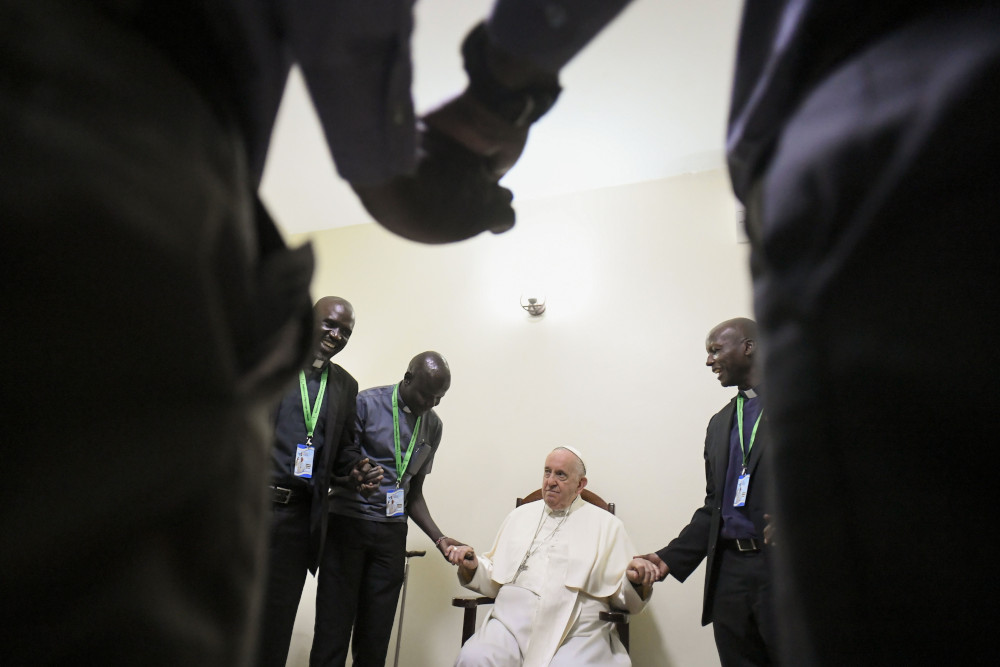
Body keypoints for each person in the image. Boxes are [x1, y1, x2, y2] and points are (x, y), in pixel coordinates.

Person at [310, 351, 464, 667]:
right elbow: (336, 466)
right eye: (427, 394)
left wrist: (440, 538)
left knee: (375, 637)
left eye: (440, 398)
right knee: (333, 631)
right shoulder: (365, 404)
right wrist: (354, 476)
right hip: (347, 525)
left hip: (391, 535)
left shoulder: (433, 425)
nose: (432, 404)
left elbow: (413, 492)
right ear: (407, 379)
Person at [637, 318, 774, 666]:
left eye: (716, 350)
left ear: (749, 346)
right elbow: (715, 507)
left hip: (782, 572)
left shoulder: (801, 406)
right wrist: (669, 557)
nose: (709, 361)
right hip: (728, 574)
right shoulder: (719, 423)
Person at [255, 297, 383, 667]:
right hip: (251, 509)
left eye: (345, 331)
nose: (336, 334)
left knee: (277, 623)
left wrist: (356, 469)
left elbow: (343, 449)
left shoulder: (345, 385)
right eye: (329, 324)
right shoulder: (270, 360)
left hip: (298, 520)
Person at [448, 446, 656, 667]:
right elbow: (494, 577)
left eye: (561, 474)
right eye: (547, 472)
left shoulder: (608, 525)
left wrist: (635, 581)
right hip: (509, 626)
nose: (550, 481)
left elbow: (623, 599)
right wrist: (472, 566)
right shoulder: (519, 517)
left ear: (580, 484)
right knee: (475, 658)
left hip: (577, 632)